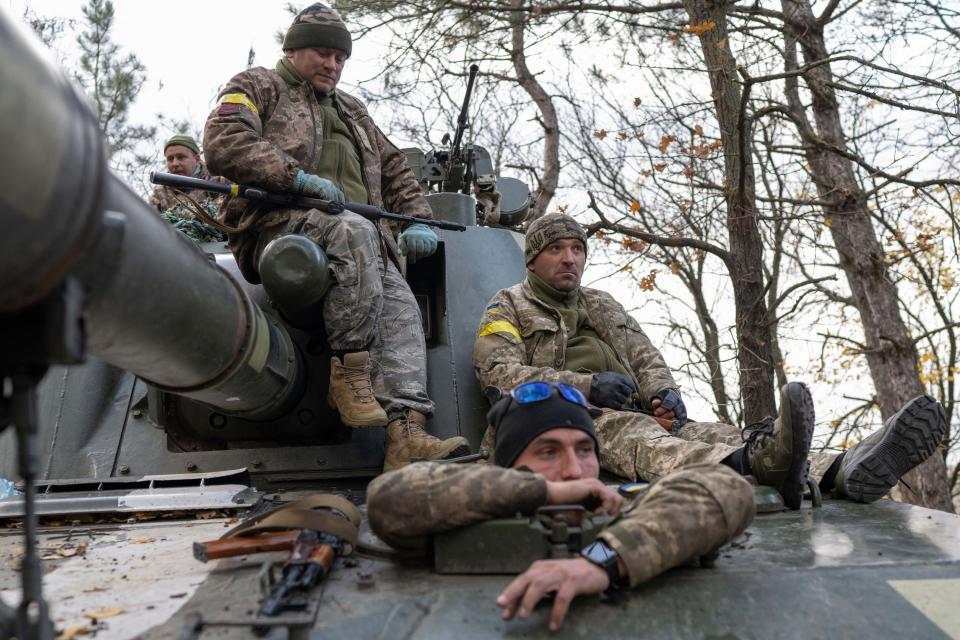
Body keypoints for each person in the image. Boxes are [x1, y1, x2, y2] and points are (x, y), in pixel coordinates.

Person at [473, 213, 948, 507]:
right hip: (567, 418)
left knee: (712, 430)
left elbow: (645, 354)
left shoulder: (602, 303)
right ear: (532, 259)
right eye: (556, 249)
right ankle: (753, 466)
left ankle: (841, 467)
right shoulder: (508, 304)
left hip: (636, 411)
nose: (570, 258)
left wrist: (664, 393)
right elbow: (497, 374)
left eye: (577, 249)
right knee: (639, 437)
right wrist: (587, 387)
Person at [203, 3, 467, 469]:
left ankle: (406, 435)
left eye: (340, 58)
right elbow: (224, 139)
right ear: (293, 50)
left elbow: (395, 170)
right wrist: (294, 178)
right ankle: (349, 372)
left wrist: (416, 219)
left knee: (402, 310)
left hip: (359, 239)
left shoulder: (352, 110)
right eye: (323, 54)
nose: (332, 65)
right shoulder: (258, 86)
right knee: (355, 230)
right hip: (280, 224)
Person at [367, 381, 756, 631]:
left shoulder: (626, 507)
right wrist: (544, 491)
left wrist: (602, 558)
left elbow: (727, 488)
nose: (574, 470)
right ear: (509, 465)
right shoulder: (469, 505)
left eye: (585, 451)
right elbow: (389, 500)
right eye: (548, 451)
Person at [149, 135, 220, 212]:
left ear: (197, 159)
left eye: (181, 157)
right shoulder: (160, 192)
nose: (175, 163)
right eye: (170, 159)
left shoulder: (217, 180)